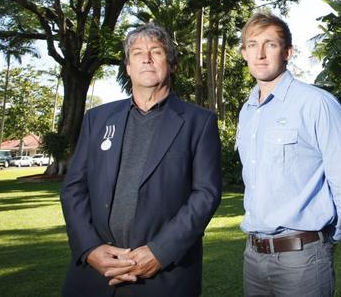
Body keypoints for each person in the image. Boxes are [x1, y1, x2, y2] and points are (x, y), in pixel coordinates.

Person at [60, 23, 222, 297]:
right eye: (137, 53)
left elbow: (206, 195)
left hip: (162, 277)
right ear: (128, 67)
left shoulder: (200, 122)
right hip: (94, 277)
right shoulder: (97, 120)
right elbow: (73, 188)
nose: (146, 59)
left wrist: (160, 252)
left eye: (156, 52)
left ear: (171, 64)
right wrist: (89, 248)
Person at [236, 12, 341, 296]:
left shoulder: (316, 104)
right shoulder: (246, 113)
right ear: (244, 53)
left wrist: (332, 235)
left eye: (270, 44)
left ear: (287, 52)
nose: (260, 53)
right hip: (253, 257)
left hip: (302, 258)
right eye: (252, 44)